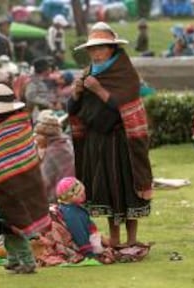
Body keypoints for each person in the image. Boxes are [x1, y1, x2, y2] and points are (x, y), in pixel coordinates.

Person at [68, 22, 153, 249]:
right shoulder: (88, 74)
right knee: (106, 187)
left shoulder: (126, 74)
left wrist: (98, 90)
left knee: (126, 185)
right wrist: (76, 95)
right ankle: (114, 238)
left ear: (112, 49)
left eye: (101, 48)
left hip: (121, 141)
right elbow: (74, 110)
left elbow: (123, 105)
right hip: (97, 141)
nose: (96, 53)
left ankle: (132, 237)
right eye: (92, 49)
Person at [0, 83, 51, 274]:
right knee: (6, 228)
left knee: (14, 228)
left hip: (12, 191)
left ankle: (27, 261)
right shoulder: (8, 129)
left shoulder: (13, 131)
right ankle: (14, 259)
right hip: (0, 191)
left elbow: (14, 162)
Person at [56, 177, 105, 258]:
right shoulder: (71, 213)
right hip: (78, 245)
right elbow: (78, 232)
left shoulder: (73, 208)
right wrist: (87, 251)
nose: (84, 195)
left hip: (86, 240)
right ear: (71, 196)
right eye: (81, 194)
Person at [34, 110, 75, 203]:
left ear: (46, 135)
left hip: (61, 199)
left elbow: (45, 183)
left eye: (37, 134)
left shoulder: (54, 152)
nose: (35, 138)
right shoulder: (63, 144)